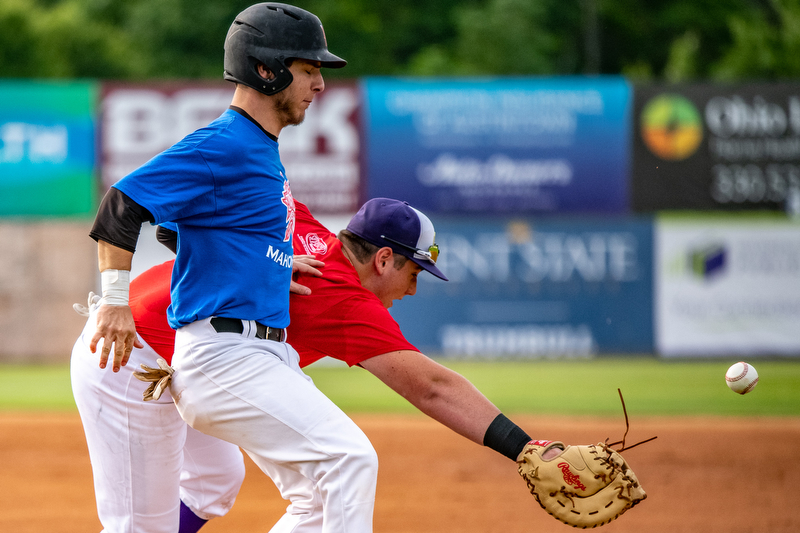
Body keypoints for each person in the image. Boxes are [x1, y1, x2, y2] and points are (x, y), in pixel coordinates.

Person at [74, 197, 549, 532]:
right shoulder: (346, 301)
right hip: (125, 351)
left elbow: (182, 227)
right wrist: (526, 449)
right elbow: (432, 387)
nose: (412, 289)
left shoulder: (297, 221)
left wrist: (258, 264)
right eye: (413, 271)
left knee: (215, 482)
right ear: (384, 259)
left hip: (187, 355)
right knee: (138, 527)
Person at [84, 3, 380, 532]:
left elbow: (185, 229)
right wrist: (113, 303)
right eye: (309, 69)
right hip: (225, 354)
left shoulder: (258, 150)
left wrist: (262, 269)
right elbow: (121, 208)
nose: (318, 84)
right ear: (267, 70)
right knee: (348, 460)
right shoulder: (225, 144)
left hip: (257, 352)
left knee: (320, 486)